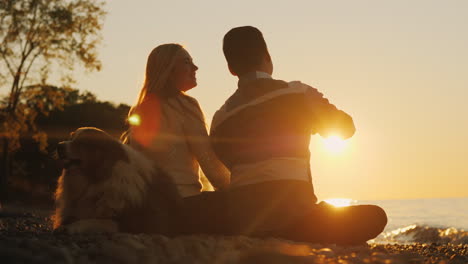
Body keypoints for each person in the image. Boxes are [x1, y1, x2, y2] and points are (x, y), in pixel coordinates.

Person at [210, 26, 387, 244]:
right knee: (375, 216)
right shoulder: (298, 94)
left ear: (231, 69)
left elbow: (227, 164)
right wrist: (307, 122)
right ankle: (297, 231)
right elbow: (345, 128)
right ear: (267, 57)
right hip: (296, 217)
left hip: (244, 222)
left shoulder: (220, 118)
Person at [122, 43, 230, 198]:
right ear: (168, 69)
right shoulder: (185, 106)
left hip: (148, 204)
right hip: (182, 203)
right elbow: (210, 164)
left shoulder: (139, 110)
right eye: (187, 62)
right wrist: (236, 190)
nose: (195, 67)